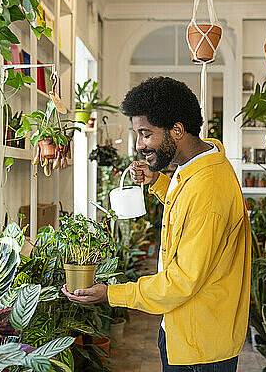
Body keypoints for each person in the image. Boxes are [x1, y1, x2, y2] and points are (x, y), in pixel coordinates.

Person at [62, 76, 252, 371]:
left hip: (201, 347)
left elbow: (180, 282)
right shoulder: (196, 165)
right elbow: (188, 214)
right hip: (182, 330)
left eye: (146, 134)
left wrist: (111, 293)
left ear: (177, 130)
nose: (139, 145)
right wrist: (159, 182)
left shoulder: (209, 190)